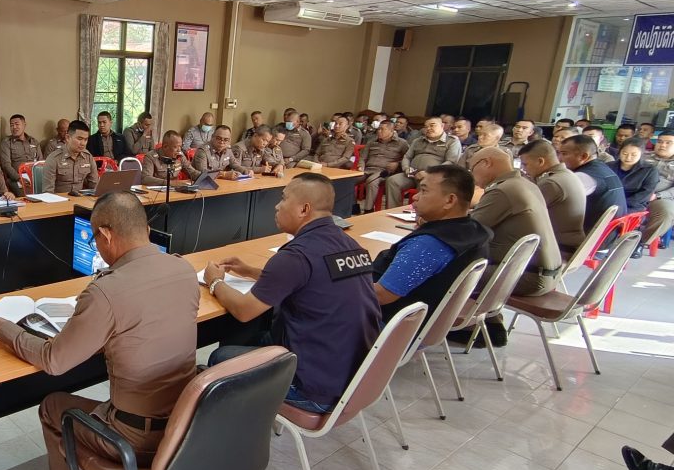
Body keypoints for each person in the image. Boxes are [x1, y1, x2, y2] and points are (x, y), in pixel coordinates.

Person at [0, 192, 199, 470]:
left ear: (105, 235)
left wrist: (3, 328)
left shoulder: (107, 292)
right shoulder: (183, 269)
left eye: (94, 239)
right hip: (187, 426)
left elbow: (54, 360)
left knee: (52, 406)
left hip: (137, 439)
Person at [203, 174, 381, 413]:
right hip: (353, 376)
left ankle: (235, 420)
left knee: (221, 358)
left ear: (303, 209)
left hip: (312, 388)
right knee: (251, 335)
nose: (277, 206)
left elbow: (244, 310)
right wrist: (250, 271)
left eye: (283, 199)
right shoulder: (350, 245)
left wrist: (214, 281)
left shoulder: (296, 255)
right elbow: (308, 279)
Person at [463, 148, 561, 346]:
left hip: (529, 277)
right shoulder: (525, 183)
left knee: (448, 271)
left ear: (486, 163)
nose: (472, 175)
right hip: (545, 273)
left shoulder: (503, 190)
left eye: (472, 168)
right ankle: (490, 325)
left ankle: (464, 328)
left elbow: (468, 232)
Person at [372, 165, 491, 322]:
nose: (415, 197)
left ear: (449, 200)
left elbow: (381, 295)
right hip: (431, 322)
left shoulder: (429, 245)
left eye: (424, 191)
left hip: (387, 324)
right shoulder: (474, 231)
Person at [518, 140, 586, 257]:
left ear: (540, 161)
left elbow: (523, 213)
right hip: (569, 243)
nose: (524, 169)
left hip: (559, 248)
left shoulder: (551, 183)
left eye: (525, 165)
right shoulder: (567, 175)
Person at [386, 117, 460, 207]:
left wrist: (429, 173)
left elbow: (451, 162)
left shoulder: (452, 141)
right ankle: (393, 210)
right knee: (392, 181)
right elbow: (407, 157)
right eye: (426, 126)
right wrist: (406, 168)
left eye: (432, 125)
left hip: (433, 175)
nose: (428, 128)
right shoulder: (418, 141)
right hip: (412, 173)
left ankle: (419, 213)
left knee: (425, 185)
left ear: (442, 126)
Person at [559, 135, 627, 232]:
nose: (559, 158)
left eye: (564, 154)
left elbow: (555, 199)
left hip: (594, 235)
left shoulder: (584, 176)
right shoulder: (601, 168)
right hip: (611, 233)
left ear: (583, 156)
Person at [611, 138, 661, 257]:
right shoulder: (609, 166)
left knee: (619, 217)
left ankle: (633, 243)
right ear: (619, 152)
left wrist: (621, 205)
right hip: (610, 201)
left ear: (641, 154)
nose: (628, 157)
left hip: (634, 204)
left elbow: (645, 193)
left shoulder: (649, 170)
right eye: (625, 153)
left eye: (634, 155)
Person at [356, 120, 408, 212]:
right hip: (367, 169)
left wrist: (398, 164)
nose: (379, 131)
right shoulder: (372, 142)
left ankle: (368, 210)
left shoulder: (402, 143)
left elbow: (407, 158)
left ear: (391, 131)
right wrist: (361, 166)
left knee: (371, 181)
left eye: (382, 129)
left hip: (384, 172)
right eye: (378, 129)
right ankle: (353, 206)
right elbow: (363, 157)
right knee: (349, 181)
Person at [42, 121, 98, 195]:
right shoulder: (54, 159)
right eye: (79, 139)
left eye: (85, 139)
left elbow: (94, 186)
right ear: (68, 138)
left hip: (81, 199)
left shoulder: (88, 157)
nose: (83, 143)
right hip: (60, 200)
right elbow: (48, 193)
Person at [0, 114, 42, 196]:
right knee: (26, 195)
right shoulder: (7, 142)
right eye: (11, 125)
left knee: (45, 192)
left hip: (35, 177)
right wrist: (19, 178)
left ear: (24, 125)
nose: (14, 127)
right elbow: (6, 165)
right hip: (16, 179)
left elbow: (41, 161)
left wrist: (38, 178)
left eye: (17, 124)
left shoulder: (34, 141)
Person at [646, 132, 674, 250]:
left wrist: (658, 195)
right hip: (635, 192)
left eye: (668, 143)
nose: (662, 145)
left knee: (666, 212)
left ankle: (641, 242)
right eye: (660, 141)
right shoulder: (642, 156)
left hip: (660, 198)